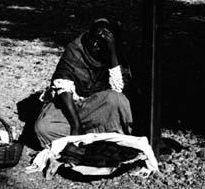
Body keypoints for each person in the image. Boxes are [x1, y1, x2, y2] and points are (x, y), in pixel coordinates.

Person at [34, 18, 133, 148]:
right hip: (70, 107)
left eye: (102, 41)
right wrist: (76, 126)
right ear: (88, 35)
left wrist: (112, 53)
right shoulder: (75, 50)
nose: (96, 44)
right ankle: (97, 136)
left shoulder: (111, 53)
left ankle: (94, 137)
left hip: (95, 107)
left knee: (118, 100)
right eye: (94, 38)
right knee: (44, 128)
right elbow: (64, 89)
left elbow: (117, 89)